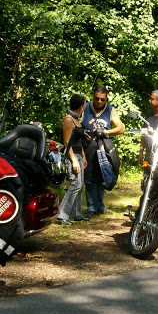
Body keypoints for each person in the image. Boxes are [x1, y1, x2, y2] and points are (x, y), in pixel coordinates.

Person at [82, 85, 125, 216]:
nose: (99, 102)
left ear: (106, 99)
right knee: (89, 177)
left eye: (102, 100)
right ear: (93, 97)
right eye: (97, 99)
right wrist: (81, 132)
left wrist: (106, 131)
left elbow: (121, 128)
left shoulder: (110, 110)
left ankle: (100, 206)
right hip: (88, 146)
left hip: (103, 146)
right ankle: (90, 207)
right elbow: (74, 123)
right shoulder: (85, 108)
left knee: (103, 176)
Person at [56, 94, 89, 225]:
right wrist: (74, 160)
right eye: (84, 105)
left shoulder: (77, 120)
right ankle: (62, 214)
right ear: (81, 106)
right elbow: (67, 142)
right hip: (71, 155)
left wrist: (83, 156)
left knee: (80, 185)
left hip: (78, 154)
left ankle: (76, 213)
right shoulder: (68, 120)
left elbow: (78, 140)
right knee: (75, 184)